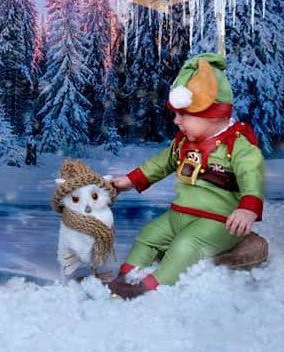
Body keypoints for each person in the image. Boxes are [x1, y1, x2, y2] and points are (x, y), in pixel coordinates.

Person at [107, 53, 265, 299]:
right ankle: (125, 277)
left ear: (213, 114)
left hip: (217, 221)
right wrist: (131, 180)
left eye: (183, 115)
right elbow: (161, 163)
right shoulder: (182, 142)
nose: (176, 121)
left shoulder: (237, 145)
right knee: (148, 235)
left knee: (185, 246)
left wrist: (247, 209)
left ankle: (149, 288)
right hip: (179, 214)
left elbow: (251, 177)